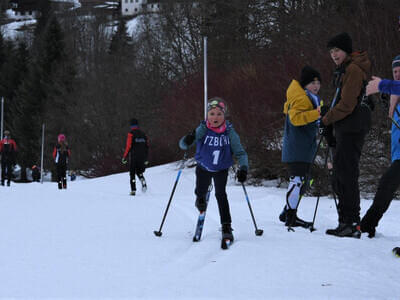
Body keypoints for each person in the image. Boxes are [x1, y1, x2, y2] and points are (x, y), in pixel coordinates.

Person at [321, 32, 372, 238]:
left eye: (337, 50)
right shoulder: (344, 70)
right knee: (341, 174)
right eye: (331, 51)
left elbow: (347, 104)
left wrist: (326, 119)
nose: (334, 55)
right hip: (346, 127)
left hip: (352, 127)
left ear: (346, 51)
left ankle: (351, 222)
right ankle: (346, 220)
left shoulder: (353, 69)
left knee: (346, 174)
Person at [179, 97, 248, 243]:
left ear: (224, 116)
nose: (215, 117)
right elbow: (184, 145)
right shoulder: (203, 129)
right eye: (212, 114)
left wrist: (243, 168)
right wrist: (188, 139)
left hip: (221, 169)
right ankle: (200, 199)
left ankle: (226, 226)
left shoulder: (229, 132)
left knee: (221, 195)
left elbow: (240, 153)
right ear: (207, 115)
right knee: (200, 190)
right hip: (203, 167)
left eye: (219, 114)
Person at [360, 55, 400, 238]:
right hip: (397, 154)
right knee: (386, 187)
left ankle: (367, 224)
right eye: (395, 72)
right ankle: (367, 225)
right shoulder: (394, 97)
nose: (398, 74)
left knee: (386, 185)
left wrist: (383, 84)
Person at [280, 66, 325, 228]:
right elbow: (296, 119)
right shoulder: (301, 98)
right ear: (305, 83)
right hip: (297, 147)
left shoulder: (312, 98)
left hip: (305, 147)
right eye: (312, 82)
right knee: (297, 180)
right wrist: (317, 114)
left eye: (318, 82)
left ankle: (286, 212)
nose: (316, 86)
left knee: (307, 180)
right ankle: (291, 217)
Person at [122, 118, 149, 196]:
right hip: (143, 156)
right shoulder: (144, 134)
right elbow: (147, 146)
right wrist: (146, 158)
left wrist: (125, 157)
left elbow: (128, 146)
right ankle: (143, 182)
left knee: (132, 173)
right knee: (139, 172)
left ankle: (133, 190)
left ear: (131, 125)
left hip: (134, 156)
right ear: (138, 125)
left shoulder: (131, 134)